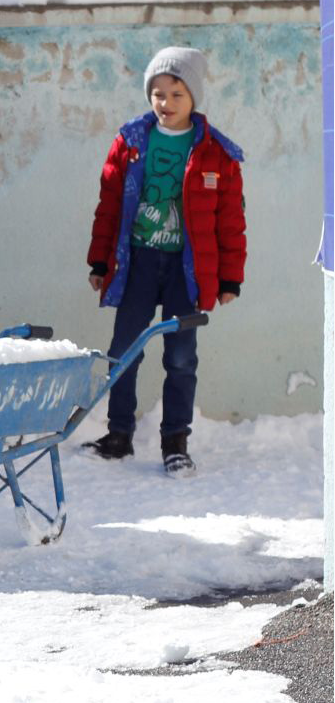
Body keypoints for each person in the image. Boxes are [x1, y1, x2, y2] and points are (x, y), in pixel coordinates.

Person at [82, 47, 245, 477]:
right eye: (158, 93)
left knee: (181, 358)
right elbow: (109, 205)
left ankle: (176, 444)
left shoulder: (215, 153)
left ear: (193, 97)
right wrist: (100, 261)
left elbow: (231, 221)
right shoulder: (131, 142)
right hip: (138, 262)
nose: (166, 103)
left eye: (176, 94)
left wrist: (230, 278)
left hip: (186, 271)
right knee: (124, 351)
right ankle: (118, 435)